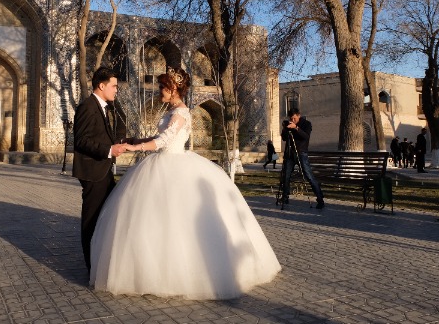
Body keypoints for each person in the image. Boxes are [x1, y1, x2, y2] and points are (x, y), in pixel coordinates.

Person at [89, 67, 281, 300]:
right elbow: (158, 137)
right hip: (161, 164)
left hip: (174, 164)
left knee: (177, 220)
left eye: (162, 87)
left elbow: (165, 140)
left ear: (173, 89)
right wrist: (136, 139)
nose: (159, 90)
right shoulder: (171, 111)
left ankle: (181, 273)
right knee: (156, 220)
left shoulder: (181, 112)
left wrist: (134, 148)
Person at [72, 67, 128, 272]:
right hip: (93, 172)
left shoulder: (103, 107)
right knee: (92, 220)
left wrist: (121, 143)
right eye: (114, 86)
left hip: (102, 170)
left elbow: (101, 135)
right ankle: (91, 266)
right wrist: (108, 150)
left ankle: (99, 260)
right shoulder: (88, 106)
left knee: (105, 217)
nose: (116, 90)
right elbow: (81, 141)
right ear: (101, 85)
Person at [280, 108, 325, 209]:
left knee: (309, 175)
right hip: (290, 154)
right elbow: (284, 138)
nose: (293, 120)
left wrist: (296, 128)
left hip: (301, 153)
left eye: (294, 118)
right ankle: (285, 196)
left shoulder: (306, 124)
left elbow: (306, 136)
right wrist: (284, 129)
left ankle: (320, 198)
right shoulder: (289, 124)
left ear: (298, 115)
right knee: (286, 176)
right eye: (291, 118)